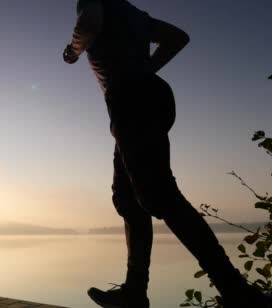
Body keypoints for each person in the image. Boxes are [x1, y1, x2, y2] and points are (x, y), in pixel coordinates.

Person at [63, 0, 272, 307]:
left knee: (159, 196)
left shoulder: (95, 3)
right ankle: (135, 291)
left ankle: (238, 293)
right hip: (151, 96)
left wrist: (74, 50)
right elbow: (178, 37)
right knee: (128, 198)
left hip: (131, 102)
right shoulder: (133, 13)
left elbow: (90, 23)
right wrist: (145, 68)